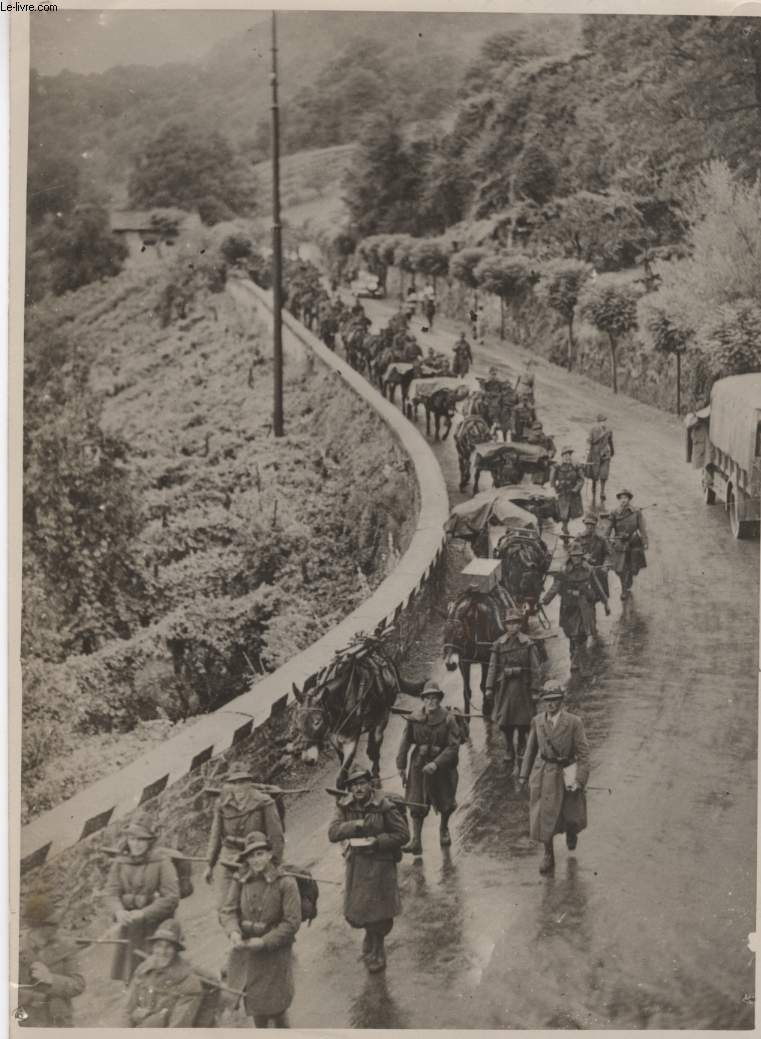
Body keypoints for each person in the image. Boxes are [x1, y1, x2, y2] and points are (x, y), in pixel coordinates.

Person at [328, 766, 409, 973]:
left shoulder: (385, 807)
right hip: (357, 864)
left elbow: (403, 835)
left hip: (381, 863)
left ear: (370, 785)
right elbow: (333, 833)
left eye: (362, 783)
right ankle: (369, 935)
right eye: (353, 785)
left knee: (380, 910)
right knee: (360, 907)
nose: (358, 788)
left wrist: (378, 841)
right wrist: (356, 824)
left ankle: (379, 947)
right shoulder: (345, 806)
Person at [220, 831, 301, 1028]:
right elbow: (228, 911)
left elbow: (292, 922)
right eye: (251, 855)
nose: (256, 860)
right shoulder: (241, 880)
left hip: (276, 949)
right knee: (256, 1005)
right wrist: (234, 932)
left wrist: (264, 941)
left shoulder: (286, 882)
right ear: (246, 858)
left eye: (260, 854)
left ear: (269, 854)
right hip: (249, 951)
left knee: (277, 1006)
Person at [518, 683, 590, 874]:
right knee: (543, 814)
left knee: (571, 812)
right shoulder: (537, 721)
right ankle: (548, 853)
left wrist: (579, 780)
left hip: (566, 771)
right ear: (543, 702)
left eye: (555, 700)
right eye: (547, 700)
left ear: (561, 700)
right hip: (543, 772)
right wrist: (523, 776)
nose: (551, 704)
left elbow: (583, 754)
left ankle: (572, 831)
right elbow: (530, 750)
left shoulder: (574, 722)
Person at [105, 815, 180, 983]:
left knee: (157, 973)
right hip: (130, 928)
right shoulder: (120, 863)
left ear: (149, 842)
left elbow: (172, 897)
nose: (136, 844)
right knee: (131, 974)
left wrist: (144, 912)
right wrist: (118, 911)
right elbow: (111, 892)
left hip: (156, 928)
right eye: (132, 839)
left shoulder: (162, 862)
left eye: (141, 840)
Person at [205, 761, 285, 910]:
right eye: (234, 783)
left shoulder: (264, 802)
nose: (238, 787)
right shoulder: (222, 804)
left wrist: (275, 864)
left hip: (257, 856)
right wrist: (209, 864)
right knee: (224, 906)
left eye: (242, 782)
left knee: (263, 905)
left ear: (250, 783)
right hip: (230, 857)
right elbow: (215, 835)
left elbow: (276, 837)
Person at [395, 681, 461, 854]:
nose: (431, 702)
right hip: (419, 765)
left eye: (434, 698)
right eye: (427, 698)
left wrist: (436, 763)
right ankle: (416, 840)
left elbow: (453, 747)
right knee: (416, 801)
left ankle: (444, 829)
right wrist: (401, 765)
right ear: (423, 700)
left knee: (445, 800)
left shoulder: (449, 719)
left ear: (439, 700)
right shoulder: (414, 718)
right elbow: (406, 741)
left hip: (442, 767)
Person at [484, 610, 543, 769]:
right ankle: (509, 746)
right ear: (505, 626)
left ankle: (522, 744)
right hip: (504, 687)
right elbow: (492, 668)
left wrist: (535, 690)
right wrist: (489, 687)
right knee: (505, 721)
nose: (512, 626)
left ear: (520, 625)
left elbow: (536, 668)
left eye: (516, 623)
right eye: (509, 623)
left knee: (524, 720)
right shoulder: (498, 645)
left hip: (523, 686)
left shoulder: (528, 644)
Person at [119, 920, 204, 1028]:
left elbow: (177, 1027)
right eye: (158, 946)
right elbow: (126, 1010)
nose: (162, 952)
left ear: (176, 950)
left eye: (168, 947)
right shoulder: (143, 969)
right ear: (153, 947)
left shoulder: (188, 981)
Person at [18, 893, 85, 1027]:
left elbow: (78, 985)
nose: (58, 927)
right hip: (27, 1023)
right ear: (39, 926)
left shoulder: (66, 946)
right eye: (53, 924)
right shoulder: (15, 947)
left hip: (60, 1022)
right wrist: (35, 998)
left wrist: (51, 979)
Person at [541, 543, 598, 671]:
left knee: (581, 634)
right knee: (571, 634)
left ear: (582, 556)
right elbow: (555, 587)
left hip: (583, 607)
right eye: (574, 556)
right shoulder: (564, 571)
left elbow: (596, 586)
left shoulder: (588, 569)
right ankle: (573, 655)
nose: (576, 558)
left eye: (578, 556)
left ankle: (576, 660)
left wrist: (603, 602)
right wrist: (545, 600)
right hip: (569, 607)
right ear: (570, 557)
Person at [603, 488, 649, 600]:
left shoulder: (636, 512)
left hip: (634, 542)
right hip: (620, 544)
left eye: (626, 498)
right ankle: (624, 588)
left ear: (629, 499)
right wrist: (605, 539)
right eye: (621, 498)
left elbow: (642, 528)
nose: (623, 500)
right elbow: (608, 528)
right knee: (619, 569)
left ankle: (627, 581)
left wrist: (645, 541)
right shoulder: (614, 512)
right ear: (619, 500)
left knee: (632, 567)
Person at [573, 513, 611, 607]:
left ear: (595, 525)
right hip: (583, 570)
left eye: (592, 524)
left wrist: (606, 565)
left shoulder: (601, 539)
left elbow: (608, 553)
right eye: (587, 524)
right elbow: (572, 552)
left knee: (599, 595)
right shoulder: (579, 537)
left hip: (598, 569)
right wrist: (583, 556)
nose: (589, 526)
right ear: (585, 525)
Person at [551, 447, 586, 535]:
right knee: (563, 511)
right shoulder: (557, 466)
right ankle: (565, 526)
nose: (567, 457)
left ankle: (566, 524)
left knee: (572, 511)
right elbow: (552, 480)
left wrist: (576, 488)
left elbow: (581, 479)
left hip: (573, 492)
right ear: (562, 456)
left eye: (569, 455)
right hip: (562, 492)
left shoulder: (576, 466)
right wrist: (555, 489)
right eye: (565, 455)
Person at [586, 413, 615, 505]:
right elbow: (589, 441)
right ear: (598, 422)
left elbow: (610, 441)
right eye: (602, 421)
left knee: (604, 473)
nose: (603, 423)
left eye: (605, 421)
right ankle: (594, 490)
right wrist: (588, 452)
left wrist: (612, 451)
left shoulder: (609, 431)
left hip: (605, 454)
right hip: (595, 454)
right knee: (595, 475)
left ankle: (602, 491)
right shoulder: (593, 430)